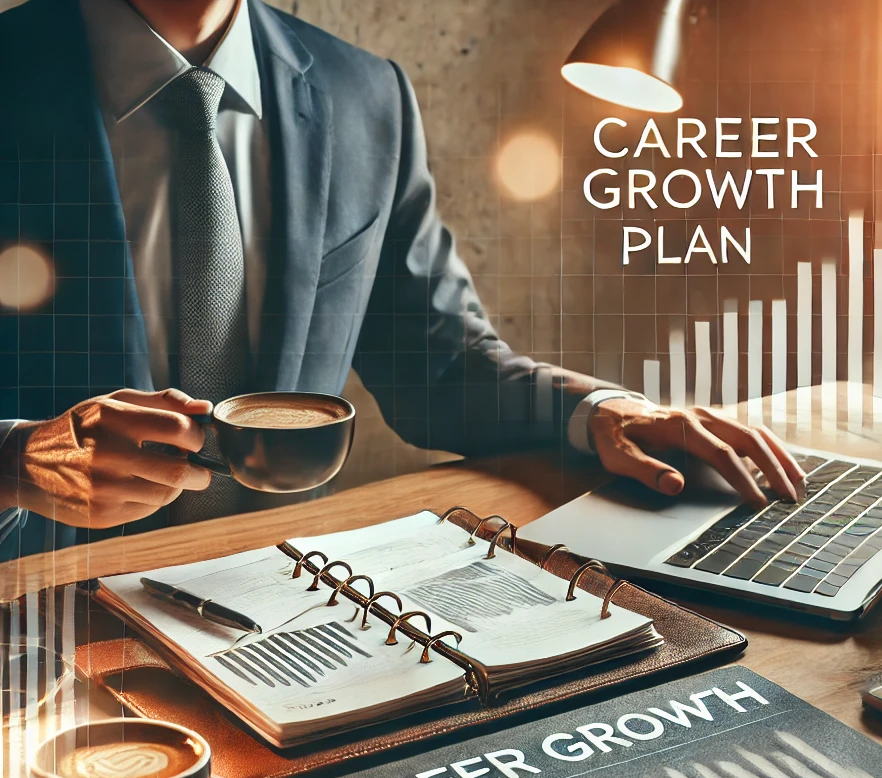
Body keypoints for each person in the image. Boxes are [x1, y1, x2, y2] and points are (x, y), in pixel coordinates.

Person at [0, 0, 805, 561]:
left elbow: (440, 364)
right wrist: (15, 463)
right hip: (34, 615)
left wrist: (598, 412)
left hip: (279, 595)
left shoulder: (364, 95)